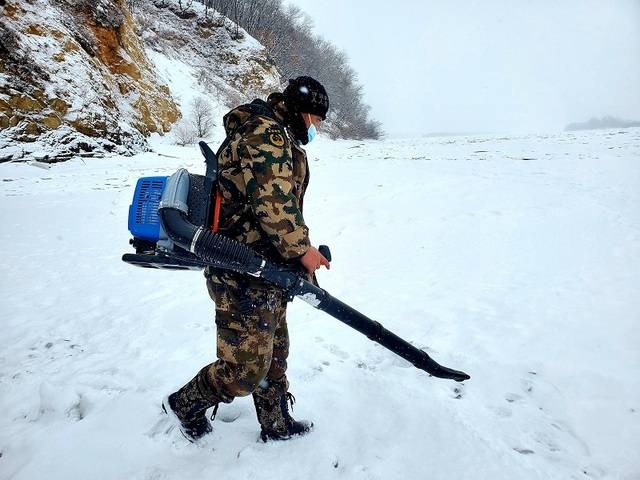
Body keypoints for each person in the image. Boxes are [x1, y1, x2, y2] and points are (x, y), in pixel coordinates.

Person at [163, 76, 331, 443]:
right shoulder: (265, 133)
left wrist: (298, 253)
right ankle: (183, 404)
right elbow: (274, 206)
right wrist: (303, 250)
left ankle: (276, 423)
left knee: (274, 354)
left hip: (266, 267)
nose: (317, 127)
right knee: (243, 370)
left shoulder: (275, 133)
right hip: (240, 269)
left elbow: (279, 207)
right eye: (317, 119)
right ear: (304, 111)